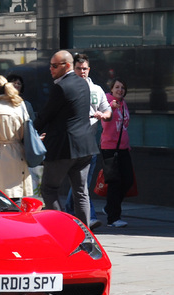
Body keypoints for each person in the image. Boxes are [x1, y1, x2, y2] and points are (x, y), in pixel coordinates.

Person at [33, 50, 97, 227]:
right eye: (50, 65)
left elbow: (46, 114)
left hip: (63, 147)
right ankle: (85, 235)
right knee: (81, 192)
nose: (50, 69)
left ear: (67, 65)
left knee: (49, 189)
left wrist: (29, 131)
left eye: (54, 66)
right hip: (85, 147)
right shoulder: (83, 83)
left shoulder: (61, 87)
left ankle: (61, 228)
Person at [64, 53, 112, 230]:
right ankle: (81, 215)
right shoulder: (66, 88)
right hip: (71, 144)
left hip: (89, 144)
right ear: (73, 69)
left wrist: (103, 115)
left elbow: (107, 111)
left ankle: (77, 214)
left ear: (89, 69)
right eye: (78, 68)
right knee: (79, 184)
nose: (82, 72)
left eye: (84, 69)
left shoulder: (96, 90)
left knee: (82, 183)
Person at [0, 75, 32, 199]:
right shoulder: (20, 104)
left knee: (5, 196)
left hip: (2, 153)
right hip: (20, 151)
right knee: (18, 195)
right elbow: (26, 130)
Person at [101, 77, 135, 228]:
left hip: (123, 148)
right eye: (117, 87)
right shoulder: (108, 102)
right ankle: (113, 218)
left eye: (122, 88)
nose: (120, 90)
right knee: (115, 183)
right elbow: (105, 121)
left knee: (128, 180)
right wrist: (112, 107)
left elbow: (124, 126)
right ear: (111, 89)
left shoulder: (123, 103)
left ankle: (110, 207)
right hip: (110, 148)